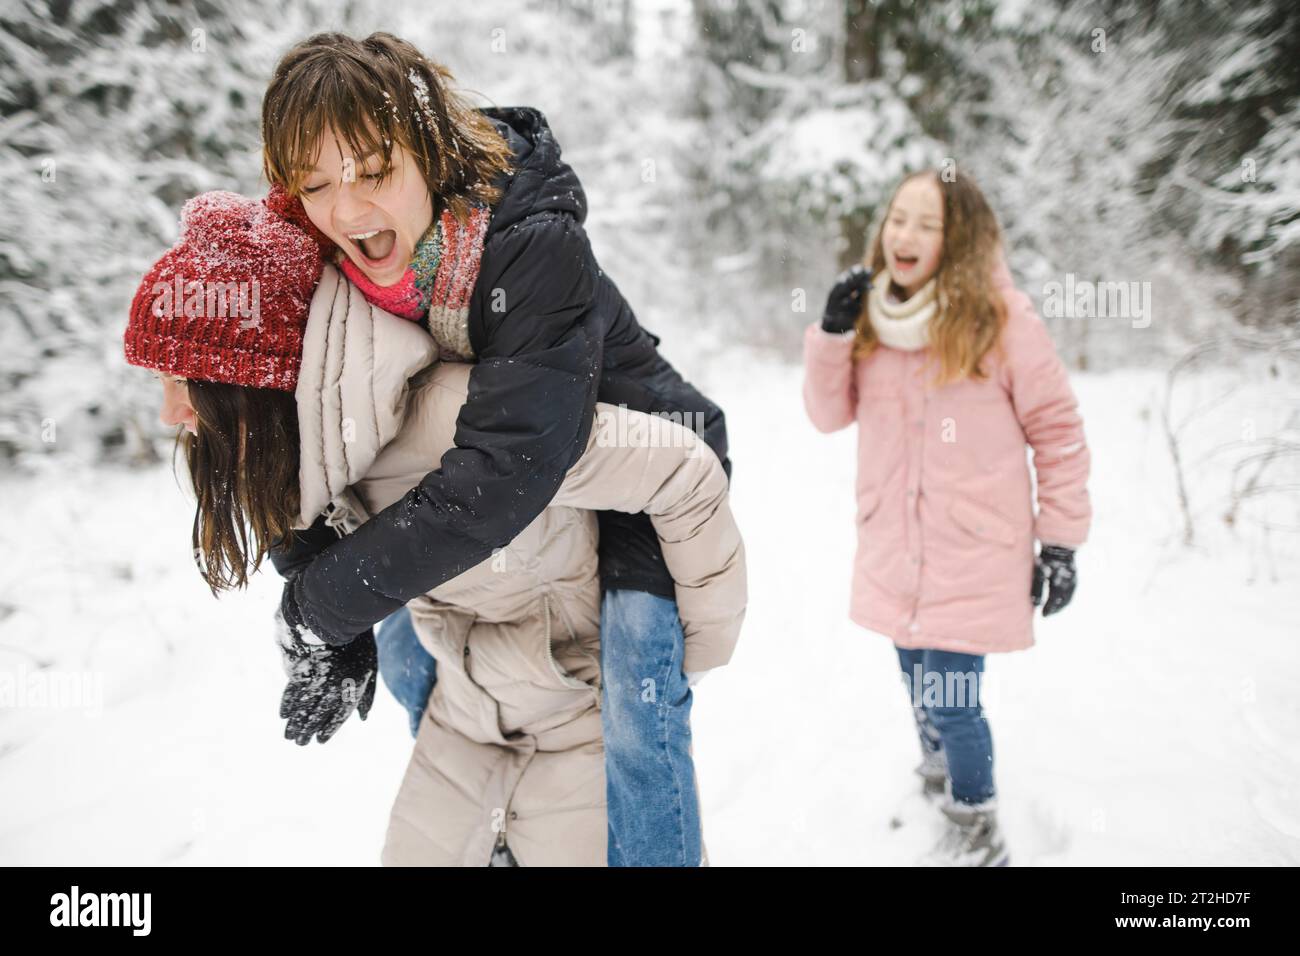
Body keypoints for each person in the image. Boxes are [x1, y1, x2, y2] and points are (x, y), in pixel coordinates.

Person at [122, 190, 747, 866]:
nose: (168, 415)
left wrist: (685, 656)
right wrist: (339, 624)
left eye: (182, 383)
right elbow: (303, 521)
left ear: (251, 380)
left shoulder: (456, 426)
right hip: (459, 733)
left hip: (586, 733)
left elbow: (683, 467)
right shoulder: (315, 455)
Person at [258, 30, 728, 866]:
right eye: (317, 183)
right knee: (420, 667)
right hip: (543, 477)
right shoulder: (334, 259)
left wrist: (320, 607)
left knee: (635, 714)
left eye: (373, 169)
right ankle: (501, 824)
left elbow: (505, 472)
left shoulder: (528, 243)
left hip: (644, 480)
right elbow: (278, 405)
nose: (348, 207)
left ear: (428, 148)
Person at [801, 169, 1092, 866]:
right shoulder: (871, 314)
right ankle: (935, 775)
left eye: (926, 224)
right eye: (897, 218)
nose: (903, 235)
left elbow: (1057, 430)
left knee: (953, 696)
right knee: (914, 680)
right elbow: (827, 414)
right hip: (894, 547)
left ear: (957, 239)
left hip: (975, 548)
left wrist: (1060, 542)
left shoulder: (1002, 319)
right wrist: (833, 332)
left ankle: (975, 825)